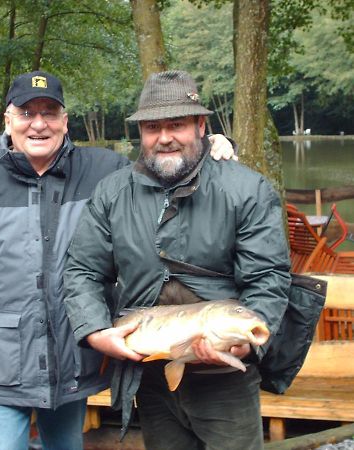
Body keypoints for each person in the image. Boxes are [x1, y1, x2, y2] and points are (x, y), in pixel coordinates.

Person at [0, 70, 235, 450]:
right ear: (8, 119)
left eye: (50, 112)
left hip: (73, 355)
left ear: (65, 121)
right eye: (26, 112)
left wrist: (209, 145)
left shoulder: (103, 171)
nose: (39, 124)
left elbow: (164, 167)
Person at [64, 70, 291, 450]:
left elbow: (268, 278)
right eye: (153, 127)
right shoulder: (112, 192)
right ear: (141, 133)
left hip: (225, 382)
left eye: (177, 124)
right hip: (150, 375)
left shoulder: (247, 189)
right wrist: (96, 332)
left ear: (201, 125)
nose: (164, 137)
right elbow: (82, 271)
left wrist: (245, 344)